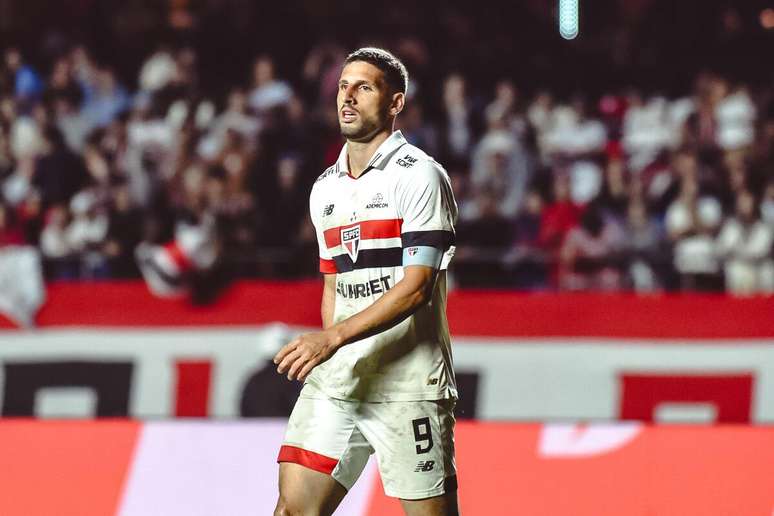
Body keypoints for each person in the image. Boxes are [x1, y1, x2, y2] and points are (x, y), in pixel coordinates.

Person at [273, 48, 460, 516]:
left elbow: (417, 288)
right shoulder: (325, 188)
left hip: (408, 384)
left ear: (395, 103)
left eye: (364, 87)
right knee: (293, 510)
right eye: (343, 86)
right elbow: (334, 286)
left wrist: (332, 337)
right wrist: (331, 353)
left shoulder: (420, 177)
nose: (348, 97)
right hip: (341, 380)